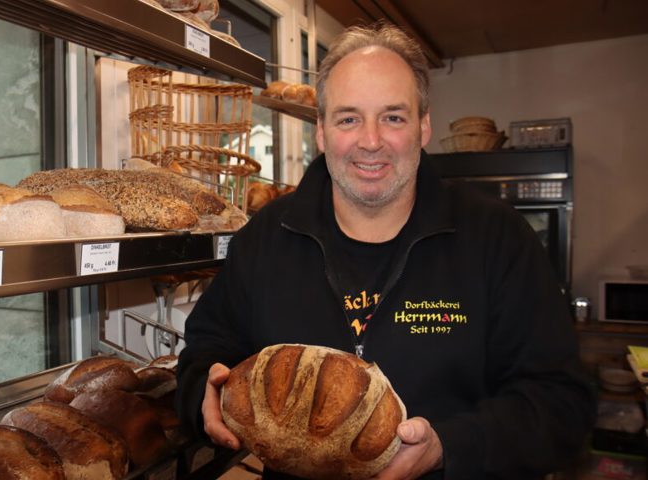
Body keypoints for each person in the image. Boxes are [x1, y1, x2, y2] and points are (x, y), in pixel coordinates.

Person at [176, 22, 595, 479]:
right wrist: (204, 392)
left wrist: (448, 447)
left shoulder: (496, 238)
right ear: (321, 131)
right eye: (348, 118)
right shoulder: (266, 238)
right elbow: (207, 350)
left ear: (423, 126)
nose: (370, 141)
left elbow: (562, 403)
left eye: (393, 117)